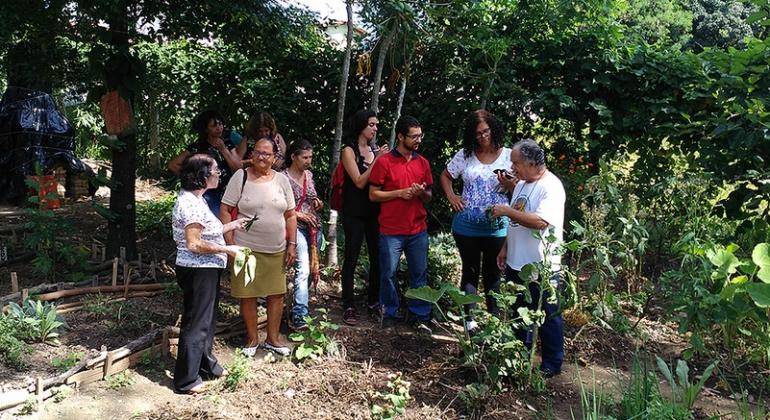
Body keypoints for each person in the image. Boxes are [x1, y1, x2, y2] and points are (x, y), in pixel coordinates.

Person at [171, 154, 247, 394]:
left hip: (206, 268)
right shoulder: (190, 204)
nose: (218, 174)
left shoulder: (197, 199)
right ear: (201, 176)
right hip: (197, 269)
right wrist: (227, 249)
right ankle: (186, 380)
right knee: (196, 323)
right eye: (215, 171)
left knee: (207, 320)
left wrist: (231, 226)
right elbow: (194, 243)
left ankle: (206, 365)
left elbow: (207, 231)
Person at [491, 138, 566, 378]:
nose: (512, 168)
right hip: (517, 262)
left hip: (541, 266)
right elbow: (517, 220)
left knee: (547, 315)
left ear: (532, 163)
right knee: (519, 313)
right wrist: (504, 247)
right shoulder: (523, 183)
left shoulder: (551, 187)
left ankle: (552, 364)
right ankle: (519, 358)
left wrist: (505, 210)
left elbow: (540, 221)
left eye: (516, 163)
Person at [220, 138, 298, 357]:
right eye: (258, 153)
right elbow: (226, 209)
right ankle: (252, 339)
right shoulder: (241, 176)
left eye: (267, 154)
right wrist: (229, 243)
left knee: (276, 294)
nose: (262, 157)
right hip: (246, 247)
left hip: (277, 248)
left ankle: (273, 339)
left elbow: (290, 215)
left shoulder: (282, 180)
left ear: (275, 158)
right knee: (248, 294)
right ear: (252, 155)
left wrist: (292, 244)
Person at [440, 110, 513, 332]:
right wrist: (452, 196)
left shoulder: (509, 156)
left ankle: (493, 322)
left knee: (493, 273)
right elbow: (445, 176)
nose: (482, 137)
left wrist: (510, 185)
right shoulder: (465, 155)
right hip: (466, 226)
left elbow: (521, 188)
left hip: (497, 228)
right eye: (477, 134)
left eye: (485, 131)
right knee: (469, 271)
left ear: (493, 129)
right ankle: (469, 322)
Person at [369, 115, 433, 335]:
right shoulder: (385, 162)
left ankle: (420, 316)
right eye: (413, 137)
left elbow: (429, 196)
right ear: (400, 136)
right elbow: (373, 195)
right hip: (391, 230)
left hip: (418, 229)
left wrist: (420, 192)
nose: (418, 140)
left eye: (420, 136)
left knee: (419, 274)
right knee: (388, 273)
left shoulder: (422, 162)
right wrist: (400, 193)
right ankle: (389, 313)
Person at [339, 110, 390, 325]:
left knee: (377, 257)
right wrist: (377, 161)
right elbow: (359, 181)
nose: (375, 128)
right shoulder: (348, 151)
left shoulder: (374, 150)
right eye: (372, 124)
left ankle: (373, 301)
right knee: (351, 257)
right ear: (362, 126)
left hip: (374, 212)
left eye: (376, 124)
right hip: (353, 212)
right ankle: (349, 304)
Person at [168, 110, 247, 215]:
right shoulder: (198, 147)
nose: (219, 128)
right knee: (215, 222)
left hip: (228, 191)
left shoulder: (227, 144)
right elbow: (173, 165)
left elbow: (237, 167)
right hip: (208, 193)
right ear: (206, 129)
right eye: (214, 126)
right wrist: (193, 179)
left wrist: (223, 149)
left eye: (220, 124)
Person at [282, 139, 323, 330]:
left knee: (308, 269)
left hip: (313, 227)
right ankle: (300, 315)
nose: (308, 160)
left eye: (310, 157)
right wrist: (300, 215)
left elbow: (311, 197)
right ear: (293, 157)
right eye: (305, 157)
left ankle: (300, 307)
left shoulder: (309, 175)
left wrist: (317, 203)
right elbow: (280, 206)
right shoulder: (282, 178)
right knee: (303, 269)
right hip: (294, 226)